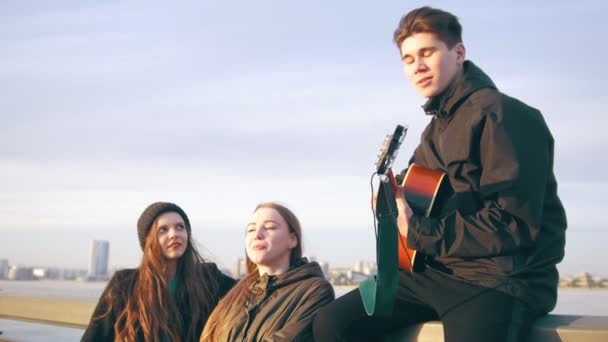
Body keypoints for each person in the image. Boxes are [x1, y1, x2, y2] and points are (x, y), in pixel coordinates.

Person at [313, 6, 567, 342]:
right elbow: (421, 193)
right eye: (407, 59)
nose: (417, 66)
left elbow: (514, 224)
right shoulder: (435, 132)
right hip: (435, 273)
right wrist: (392, 196)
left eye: (427, 52)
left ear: (458, 52)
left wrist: (416, 229)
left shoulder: (502, 115)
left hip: (497, 279)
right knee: (331, 325)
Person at [82, 202, 235, 342]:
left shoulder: (208, 277)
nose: (174, 233)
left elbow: (251, 292)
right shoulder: (124, 284)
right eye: (163, 229)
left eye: (180, 227)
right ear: (148, 240)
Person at [200, 202, 334, 342]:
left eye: (270, 227)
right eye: (251, 230)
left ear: (293, 240)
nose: (257, 234)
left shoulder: (314, 291)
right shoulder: (238, 293)